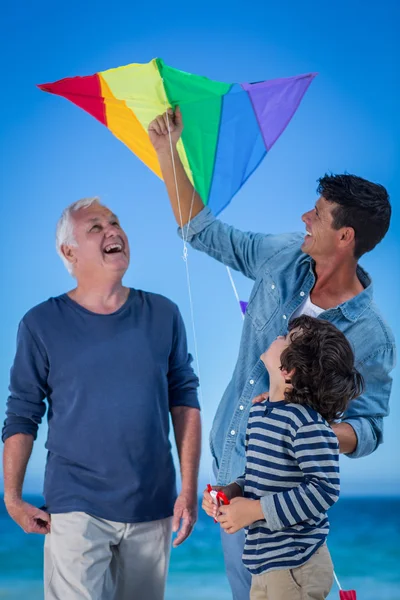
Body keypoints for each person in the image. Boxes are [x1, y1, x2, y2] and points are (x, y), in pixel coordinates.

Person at [148, 108, 396, 599]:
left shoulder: (373, 335)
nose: (305, 217)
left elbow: (370, 428)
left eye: (318, 215)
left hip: (288, 491)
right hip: (231, 470)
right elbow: (205, 233)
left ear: (345, 238)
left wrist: (311, 428)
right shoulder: (284, 255)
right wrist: (166, 150)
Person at [2, 197, 201, 600]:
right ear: (68, 251)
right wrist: (12, 497)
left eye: (115, 222)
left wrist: (188, 490)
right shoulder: (40, 324)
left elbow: (184, 402)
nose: (113, 230)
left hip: (152, 503)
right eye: (96, 226)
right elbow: (23, 412)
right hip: (75, 505)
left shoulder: (164, 314)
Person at [202, 315, 364, 600]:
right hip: (263, 564)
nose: (279, 335)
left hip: (297, 566)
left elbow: (324, 488)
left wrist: (255, 511)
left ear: (287, 370)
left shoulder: (306, 424)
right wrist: (232, 491)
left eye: (288, 337)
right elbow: (258, 476)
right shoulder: (260, 414)